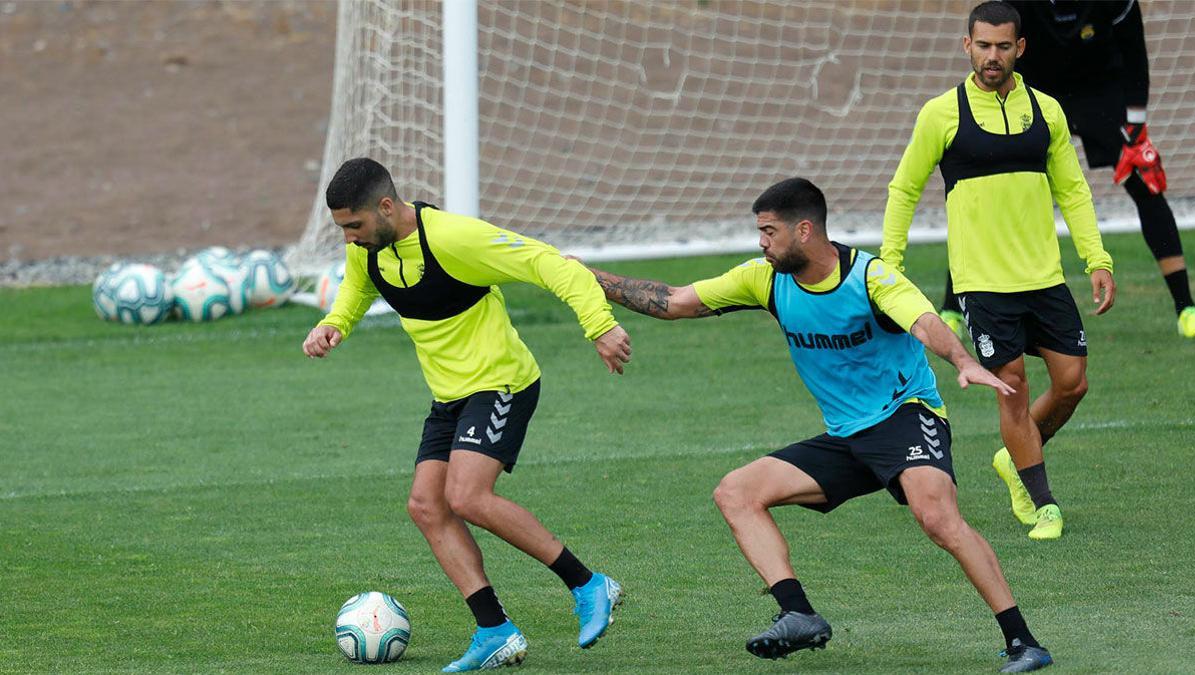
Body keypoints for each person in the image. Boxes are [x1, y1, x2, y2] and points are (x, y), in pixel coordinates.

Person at [587, 177, 1052, 672]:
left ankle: (1023, 641)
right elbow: (675, 301)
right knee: (736, 493)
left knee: (936, 517)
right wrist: (586, 278)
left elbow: (923, 322)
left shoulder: (870, 277)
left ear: (804, 231)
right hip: (847, 437)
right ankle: (798, 613)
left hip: (904, 416)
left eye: (769, 232)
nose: (761, 242)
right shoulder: (764, 278)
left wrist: (961, 359)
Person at [302, 158, 630, 672]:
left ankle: (590, 586)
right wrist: (335, 323)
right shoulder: (371, 249)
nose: (348, 238)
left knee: (467, 495)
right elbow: (359, 287)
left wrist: (600, 326)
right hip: (449, 396)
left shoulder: (455, 239)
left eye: (354, 226)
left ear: (386, 207)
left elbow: (552, 264)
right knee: (427, 506)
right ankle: (495, 630)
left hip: (501, 382)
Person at [881, 1, 1116, 541]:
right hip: (982, 283)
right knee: (1010, 386)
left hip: (1044, 276)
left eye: (1003, 46)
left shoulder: (1047, 111)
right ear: (967, 46)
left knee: (1073, 383)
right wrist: (890, 267)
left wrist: (1096, 259)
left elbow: (1073, 191)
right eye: (983, 45)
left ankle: (1016, 455)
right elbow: (904, 190)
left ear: (1020, 48)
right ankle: (1044, 501)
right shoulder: (941, 113)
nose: (993, 56)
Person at [937, 0, 1195, 340]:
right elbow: (997, 47)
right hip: (1033, 93)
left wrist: (1136, 126)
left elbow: (1134, 51)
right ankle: (950, 307)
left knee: (1146, 183)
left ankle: (1186, 308)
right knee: (990, 187)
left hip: (1099, 92)